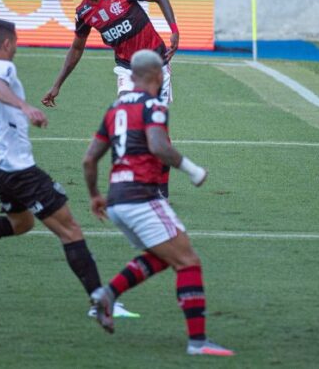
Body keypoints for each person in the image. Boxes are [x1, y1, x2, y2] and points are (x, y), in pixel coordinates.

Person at [0, 18, 136, 320]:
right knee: (70, 230)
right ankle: (99, 301)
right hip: (17, 168)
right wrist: (24, 107)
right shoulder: (2, 70)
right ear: (8, 43)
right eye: (16, 41)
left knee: (20, 223)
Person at [82, 49, 234, 357]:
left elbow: (89, 159)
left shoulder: (115, 108)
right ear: (157, 75)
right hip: (142, 197)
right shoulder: (155, 105)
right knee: (188, 261)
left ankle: (107, 295)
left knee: (163, 254)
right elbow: (159, 146)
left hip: (116, 201)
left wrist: (95, 195)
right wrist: (193, 171)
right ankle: (198, 342)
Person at [42, 0, 179, 107]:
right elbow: (76, 48)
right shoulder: (83, 13)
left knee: (153, 119)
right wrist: (57, 85)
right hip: (127, 68)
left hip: (156, 61)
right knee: (126, 111)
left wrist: (174, 30)